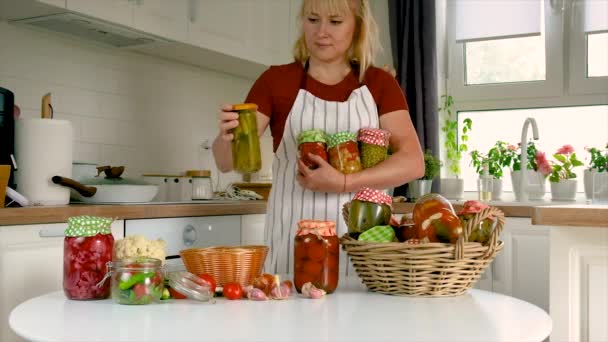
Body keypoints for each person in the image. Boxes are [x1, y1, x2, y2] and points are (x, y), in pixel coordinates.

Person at [212, 0, 424, 274]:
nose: (321, 31)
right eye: (313, 20)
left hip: (363, 247)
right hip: (292, 241)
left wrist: (344, 182)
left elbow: (413, 162)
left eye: (335, 22)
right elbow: (227, 163)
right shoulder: (275, 81)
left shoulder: (379, 84)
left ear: (357, 26)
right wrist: (225, 137)